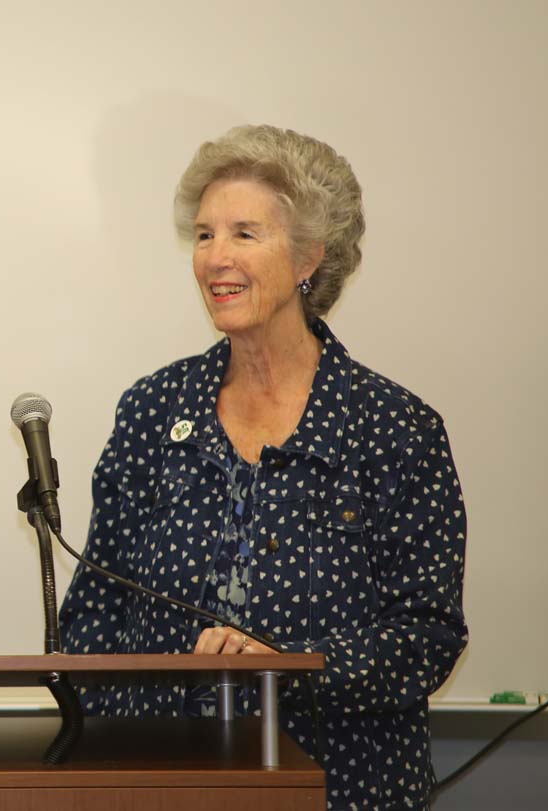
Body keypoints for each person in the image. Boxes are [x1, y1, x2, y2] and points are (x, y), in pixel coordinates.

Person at [59, 125, 466, 810]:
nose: (215, 257)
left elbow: (427, 634)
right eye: (204, 234)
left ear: (309, 256)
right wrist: (112, 755)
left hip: (344, 785)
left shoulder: (394, 426)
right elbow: (93, 616)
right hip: (161, 784)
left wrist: (289, 663)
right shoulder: (153, 410)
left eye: (245, 234)